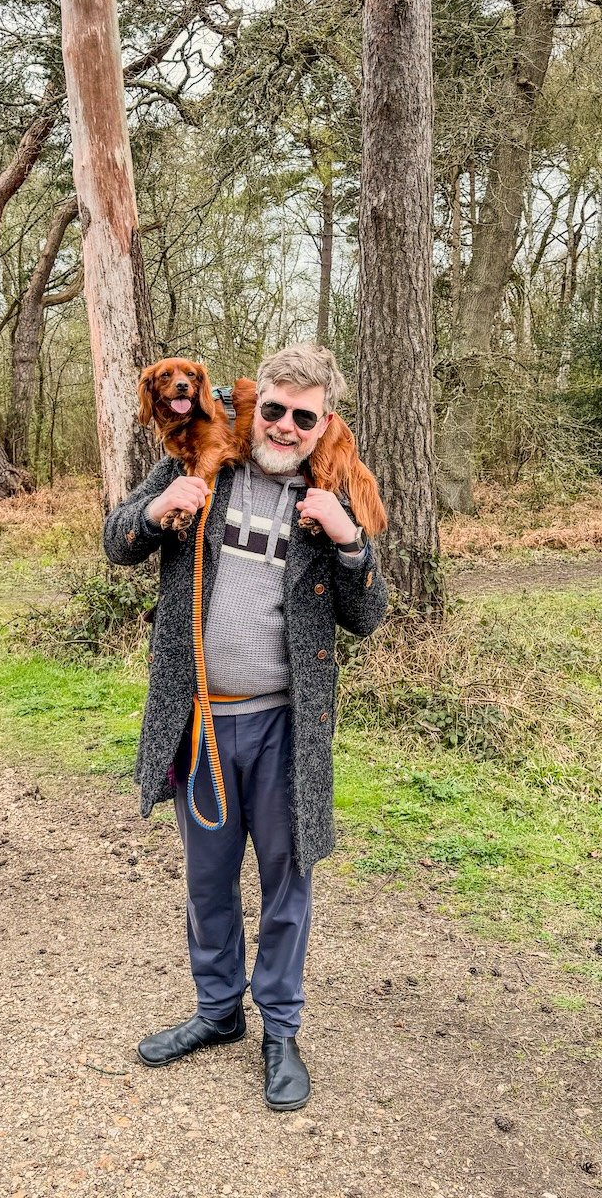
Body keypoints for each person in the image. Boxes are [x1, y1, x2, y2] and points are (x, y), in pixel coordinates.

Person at [103, 343, 387, 1111]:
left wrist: (349, 541)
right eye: (273, 410)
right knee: (207, 883)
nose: (286, 426)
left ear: (322, 421)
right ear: (251, 405)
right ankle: (218, 1012)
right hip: (200, 722)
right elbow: (117, 543)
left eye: (304, 416)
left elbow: (367, 617)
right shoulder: (203, 468)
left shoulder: (330, 497)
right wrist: (158, 512)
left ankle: (281, 1032)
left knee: (286, 884)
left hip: (285, 730)